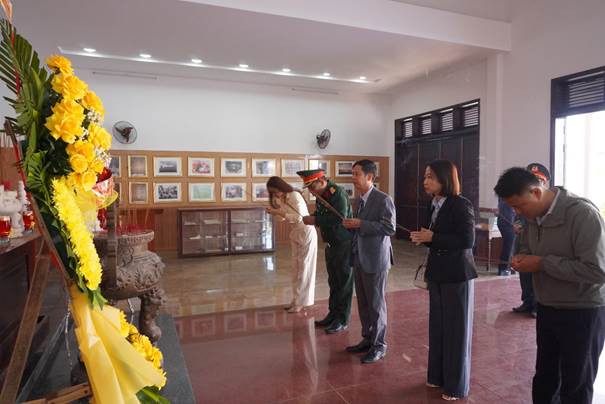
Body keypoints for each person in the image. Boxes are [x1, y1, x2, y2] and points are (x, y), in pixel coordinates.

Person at [495, 167, 605, 404]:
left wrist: (542, 263)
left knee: (576, 383)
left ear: (536, 192)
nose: (517, 213)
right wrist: (522, 258)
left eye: (519, 206)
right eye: (513, 208)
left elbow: (597, 271)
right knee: (545, 378)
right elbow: (528, 247)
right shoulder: (532, 217)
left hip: (582, 311)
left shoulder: (582, 215)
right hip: (547, 305)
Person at [410, 160, 477, 401]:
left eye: (430, 177)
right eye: (425, 177)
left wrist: (433, 237)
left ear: (445, 179)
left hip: (457, 274)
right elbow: (435, 236)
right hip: (437, 272)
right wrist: (424, 238)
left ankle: (456, 385)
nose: (425, 181)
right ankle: (437, 376)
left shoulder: (461, 204)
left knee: (456, 330)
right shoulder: (433, 203)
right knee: (438, 326)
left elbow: (467, 240)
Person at [342, 160, 396, 364]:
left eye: (357, 174)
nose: (353, 178)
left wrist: (360, 224)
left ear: (370, 177)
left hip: (376, 259)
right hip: (359, 256)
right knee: (363, 302)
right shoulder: (359, 200)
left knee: (376, 304)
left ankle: (379, 345)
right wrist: (351, 226)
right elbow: (360, 228)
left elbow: (389, 228)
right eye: (352, 174)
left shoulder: (383, 199)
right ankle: (368, 338)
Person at [297, 169, 353, 334]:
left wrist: (315, 219)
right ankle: (333, 314)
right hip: (331, 243)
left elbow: (339, 217)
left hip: (343, 243)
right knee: (333, 282)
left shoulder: (337, 193)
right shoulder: (322, 194)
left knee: (343, 283)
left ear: (321, 181)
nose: (311, 191)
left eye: (312, 187)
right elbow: (322, 213)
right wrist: (313, 217)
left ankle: (342, 319)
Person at [266, 176, 318, 313]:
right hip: (296, 234)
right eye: (272, 193)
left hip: (306, 233)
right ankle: (296, 299)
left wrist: (278, 211)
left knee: (305, 269)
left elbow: (298, 217)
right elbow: (283, 218)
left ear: (281, 187)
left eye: (276, 191)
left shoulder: (294, 195)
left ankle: (302, 302)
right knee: (296, 268)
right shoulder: (283, 198)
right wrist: (274, 210)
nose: (275, 194)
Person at [511, 163, 550, 317]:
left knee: (536, 274)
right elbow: (518, 216)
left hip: (538, 243)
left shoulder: (546, 203)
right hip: (522, 241)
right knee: (524, 273)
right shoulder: (523, 198)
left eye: (538, 180)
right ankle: (527, 302)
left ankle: (536, 305)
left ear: (544, 182)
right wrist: (516, 225)